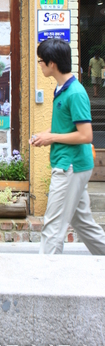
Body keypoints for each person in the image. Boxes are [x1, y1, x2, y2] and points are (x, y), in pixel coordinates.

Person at [31, 38, 105, 255]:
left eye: (41, 61)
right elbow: (66, 128)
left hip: (70, 167)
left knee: (53, 228)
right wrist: (45, 135)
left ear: (51, 63)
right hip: (71, 164)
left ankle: (45, 282)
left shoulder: (76, 93)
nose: (40, 65)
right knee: (84, 225)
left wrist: (51, 138)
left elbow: (85, 135)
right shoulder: (62, 89)